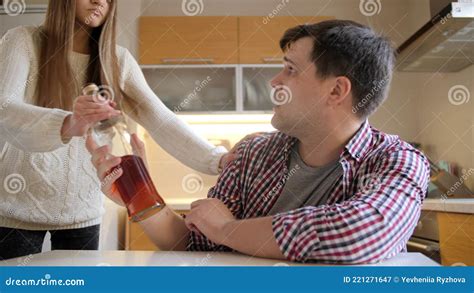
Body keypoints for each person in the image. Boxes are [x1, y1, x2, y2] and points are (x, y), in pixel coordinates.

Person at [88, 20, 430, 264]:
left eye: (291, 70)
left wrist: (228, 229)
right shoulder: (253, 153)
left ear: (337, 90)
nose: (274, 80)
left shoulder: (398, 160)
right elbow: (193, 244)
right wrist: (138, 193)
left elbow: (359, 234)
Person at [0, 0, 233, 260]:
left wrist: (218, 159)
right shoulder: (22, 41)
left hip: (82, 215)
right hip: (15, 212)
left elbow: (161, 120)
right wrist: (69, 123)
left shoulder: (118, 60)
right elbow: (4, 109)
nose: (100, 1)